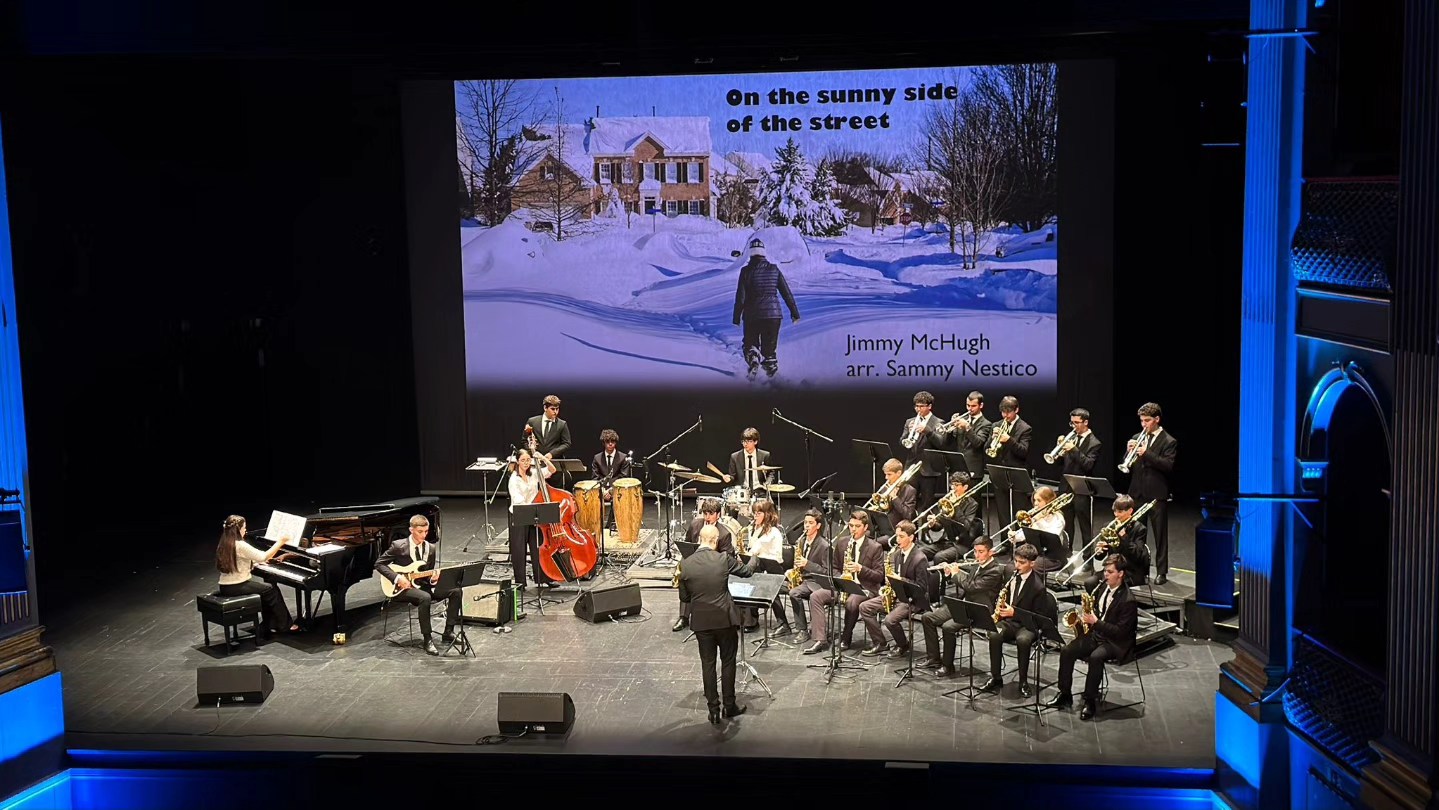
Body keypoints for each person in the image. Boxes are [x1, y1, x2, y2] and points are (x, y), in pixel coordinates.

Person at [677, 523, 759, 725]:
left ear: (699, 540)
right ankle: (729, 706)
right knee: (728, 661)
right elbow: (747, 572)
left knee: (708, 664)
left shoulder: (685, 564)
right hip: (724, 619)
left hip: (702, 622)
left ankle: (713, 709)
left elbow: (685, 597)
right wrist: (755, 556)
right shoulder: (723, 559)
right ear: (715, 541)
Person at [1046, 554, 1139, 720]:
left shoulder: (1128, 600)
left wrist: (1095, 622)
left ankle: (1090, 700)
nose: (1105, 575)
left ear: (1121, 574)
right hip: (1098, 634)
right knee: (1067, 650)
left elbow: (1121, 632)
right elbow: (1098, 612)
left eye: (1110, 572)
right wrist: (1087, 618)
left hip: (1116, 642)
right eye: (1105, 571)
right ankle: (1065, 694)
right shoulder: (1103, 588)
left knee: (1096, 657)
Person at [375, 515, 463, 655]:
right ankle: (427, 639)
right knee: (425, 597)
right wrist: (398, 578)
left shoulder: (431, 548)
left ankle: (448, 631)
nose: (423, 535)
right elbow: (379, 564)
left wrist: (434, 579)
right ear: (411, 530)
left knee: (456, 591)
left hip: (421, 585)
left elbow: (428, 576)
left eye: (426, 532)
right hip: (401, 588)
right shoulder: (398, 546)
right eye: (420, 532)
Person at [918, 536, 1006, 676]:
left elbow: (972, 586)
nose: (977, 555)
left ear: (991, 552)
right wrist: (950, 573)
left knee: (948, 627)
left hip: (977, 610)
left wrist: (956, 574)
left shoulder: (995, 571)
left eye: (981, 551)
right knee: (927, 617)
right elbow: (967, 580)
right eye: (975, 551)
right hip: (963, 604)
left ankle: (948, 666)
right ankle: (934, 658)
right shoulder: (977, 564)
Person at [811, 510, 885, 652]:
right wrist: (841, 578)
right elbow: (834, 567)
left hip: (865, 588)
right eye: (851, 526)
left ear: (865, 528)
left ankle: (846, 637)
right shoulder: (843, 543)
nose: (853, 529)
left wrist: (860, 568)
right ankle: (820, 639)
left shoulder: (875, 547)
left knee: (852, 602)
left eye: (857, 526)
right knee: (816, 596)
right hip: (843, 584)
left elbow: (879, 576)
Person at [215, 515, 298, 638]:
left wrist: (254, 562)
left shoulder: (225, 542)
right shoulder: (240, 544)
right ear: (238, 530)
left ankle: (270, 623)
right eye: (244, 528)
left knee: (265, 590)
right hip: (237, 586)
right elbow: (263, 556)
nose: (245, 531)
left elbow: (238, 560)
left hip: (225, 586)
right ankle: (285, 625)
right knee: (271, 590)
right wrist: (280, 542)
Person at [982, 543, 1048, 697]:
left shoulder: (1038, 587)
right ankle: (996, 677)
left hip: (1027, 625)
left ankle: (1023, 681)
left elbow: (1038, 617)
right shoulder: (1011, 573)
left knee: (1023, 641)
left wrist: (1014, 612)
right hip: (1008, 621)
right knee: (994, 634)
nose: (1017, 565)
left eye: (1022, 563)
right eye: (1016, 561)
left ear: (1032, 563)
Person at [858, 520, 930, 658]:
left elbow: (922, 587)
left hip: (912, 599)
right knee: (864, 607)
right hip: (896, 594)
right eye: (896, 536)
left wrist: (901, 580)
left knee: (889, 620)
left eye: (901, 536)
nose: (897, 540)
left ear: (911, 537)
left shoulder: (920, 558)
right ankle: (880, 643)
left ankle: (903, 645)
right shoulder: (896, 553)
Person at [732, 237, 800, 380]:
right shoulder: (774, 269)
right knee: (769, 351)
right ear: (764, 253)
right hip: (773, 316)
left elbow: (740, 297)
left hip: (752, 315)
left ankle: (753, 359)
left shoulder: (746, 271)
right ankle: (773, 380)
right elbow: (786, 293)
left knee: (750, 344)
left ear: (751, 254)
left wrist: (736, 317)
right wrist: (794, 313)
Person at [1125, 402, 1177, 585]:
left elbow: (1167, 466)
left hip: (1157, 494)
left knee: (1159, 535)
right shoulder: (1137, 436)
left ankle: (1161, 572)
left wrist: (1146, 453)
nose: (1143, 424)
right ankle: (1139, 570)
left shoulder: (1169, 441)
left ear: (1157, 419)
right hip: (1137, 493)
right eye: (1141, 420)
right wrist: (1129, 453)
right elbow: (1128, 465)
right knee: (1138, 534)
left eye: (1147, 420)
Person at [674, 498, 735, 632]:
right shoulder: (695, 524)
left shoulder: (724, 534)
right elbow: (688, 542)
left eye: (711, 514)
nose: (707, 517)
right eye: (705, 513)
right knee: (685, 576)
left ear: (718, 515)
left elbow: (727, 557)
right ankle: (683, 617)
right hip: (695, 564)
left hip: (712, 569)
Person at [507, 448, 557, 590]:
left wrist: (542, 458)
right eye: (523, 460)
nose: (526, 463)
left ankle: (543, 578)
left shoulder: (534, 473)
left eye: (528, 460)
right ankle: (520, 583)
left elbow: (552, 470)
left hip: (534, 514)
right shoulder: (514, 479)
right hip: (519, 515)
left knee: (538, 547)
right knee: (519, 549)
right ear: (517, 461)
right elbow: (518, 501)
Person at [743, 499, 794, 636]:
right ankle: (750, 620)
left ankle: (783, 624)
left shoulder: (774, 532)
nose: (755, 516)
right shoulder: (755, 529)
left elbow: (777, 557)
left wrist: (757, 556)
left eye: (759, 513)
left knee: (769, 587)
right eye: (754, 513)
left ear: (767, 514)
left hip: (773, 572)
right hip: (759, 570)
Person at [1054, 408, 1102, 550]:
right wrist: (1059, 452)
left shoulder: (1094, 443)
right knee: (1066, 526)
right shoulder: (1072, 438)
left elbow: (1088, 465)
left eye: (1077, 423)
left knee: (1085, 527)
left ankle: (1088, 559)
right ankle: (1066, 555)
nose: (1074, 426)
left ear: (1085, 422)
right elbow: (1060, 465)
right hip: (1066, 487)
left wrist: (1074, 450)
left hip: (1082, 490)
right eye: (1072, 423)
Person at [1083, 495, 1151, 590]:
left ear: (1130, 511)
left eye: (1120, 511)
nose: (1116, 514)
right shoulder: (1109, 526)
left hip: (1129, 571)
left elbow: (1137, 555)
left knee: (1109, 585)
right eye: (1115, 511)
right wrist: (1099, 551)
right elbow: (1100, 557)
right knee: (1089, 583)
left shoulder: (1139, 529)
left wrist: (1124, 538)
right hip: (1111, 569)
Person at [788, 509, 833, 648]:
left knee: (799, 593)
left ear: (818, 526)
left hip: (817, 582)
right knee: (787, 590)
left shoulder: (825, 546)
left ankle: (812, 632)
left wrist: (808, 564)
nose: (806, 526)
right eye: (805, 523)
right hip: (804, 579)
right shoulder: (801, 541)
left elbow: (827, 572)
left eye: (810, 523)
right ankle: (801, 629)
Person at [901, 391, 949, 512]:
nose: (918, 409)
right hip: (911, 468)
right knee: (909, 504)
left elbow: (941, 443)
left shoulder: (938, 422)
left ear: (929, 406)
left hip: (929, 470)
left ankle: (925, 531)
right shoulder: (909, 422)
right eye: (916, 406)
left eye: (921, 406)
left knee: (927, 505)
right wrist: (908, 433)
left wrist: (928, 431)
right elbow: (903, 441)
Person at [590, 428, 631, 531]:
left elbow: (623, 477)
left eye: (612, 442)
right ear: (604, 443)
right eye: (607, 442)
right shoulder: (597, 458)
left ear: (615, 443)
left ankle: (612, 525)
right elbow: (595, 478)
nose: (610, 444)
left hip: (617, 489)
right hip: (601, 489)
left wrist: (611, 490)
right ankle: (594, 525)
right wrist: (603, 490)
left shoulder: (623, 457)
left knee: (619, 497)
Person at [949, 391, 994, 480]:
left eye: (973, 406)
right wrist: (950, 427)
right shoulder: (962, 419)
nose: (970, 409)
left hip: (974, 470)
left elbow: (978, 443)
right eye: (968, 405)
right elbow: (949, 442)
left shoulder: (986, 424)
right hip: (958, 469)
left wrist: (967, 428)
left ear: (981, 405)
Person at [723, 427, 773, 494]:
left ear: (755, 442)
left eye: (749, 441)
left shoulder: (765, 455)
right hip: (742, 492)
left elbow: (771, 473)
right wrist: (729, 478)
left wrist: (767, 483)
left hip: (760, 490)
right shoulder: (735, 457)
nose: (745, 444)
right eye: (743, 441)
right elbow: (732, 476)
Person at [523, 395, 572, 461]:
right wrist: (532, 452)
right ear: (545, 408)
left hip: (554, 462)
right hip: (535, 461)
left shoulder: (562, 424)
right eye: (552, 409)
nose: (555, 412)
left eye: (557, 409)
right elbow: (524, 441)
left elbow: (566, 444)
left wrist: (552, 454)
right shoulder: (532, 421)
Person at [877, 457, 918, 524]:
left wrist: (895, 498)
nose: (886, 478)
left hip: (900, 528)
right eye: (885, 474)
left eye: (889, 474)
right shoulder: (885, 488)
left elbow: (908, 515)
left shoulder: (910, 490)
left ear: (898, 473)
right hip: (885, 525)